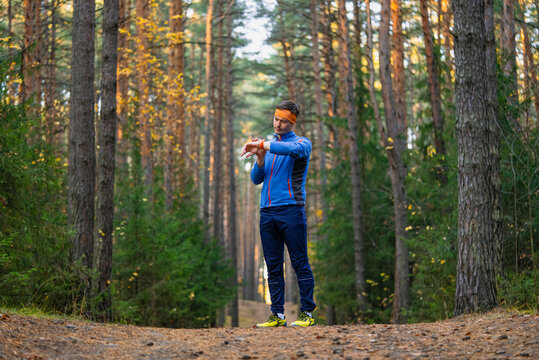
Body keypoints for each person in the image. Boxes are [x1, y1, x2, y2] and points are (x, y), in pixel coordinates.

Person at [242, 100, 316, 327]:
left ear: (292, 122)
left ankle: (306, 314)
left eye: (284, 121)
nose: (278, 124)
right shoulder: (270, 146)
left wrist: (264, 145)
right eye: (276, 119)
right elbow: (256, 179)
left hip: (292, 210)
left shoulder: (302, 143)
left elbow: (291, 150)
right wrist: (260, 157)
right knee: (273, 267)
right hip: (267, 213)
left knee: (299, 263)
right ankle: (277, 315)